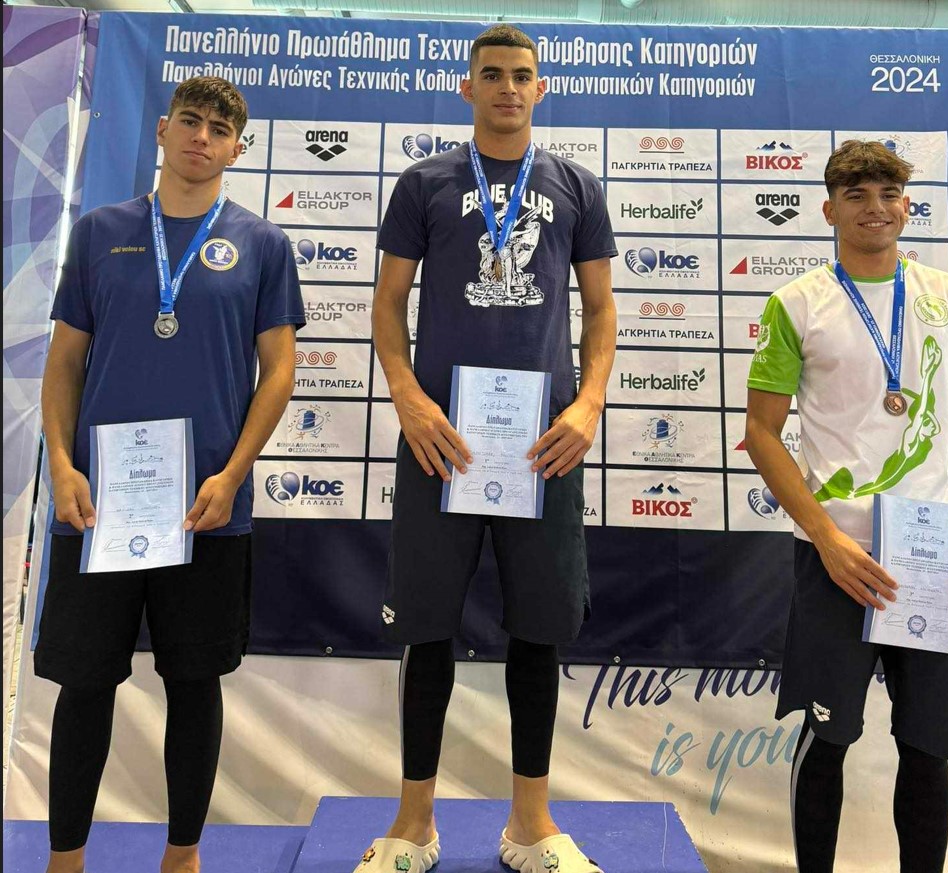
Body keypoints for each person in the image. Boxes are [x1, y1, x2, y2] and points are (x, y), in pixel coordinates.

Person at [359, 24, 617, 873]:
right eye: (493, 74)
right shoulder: (424, 182)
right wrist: (407, 396)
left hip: (543, 445)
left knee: (539, 630)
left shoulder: (576, 185)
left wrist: (588, 404)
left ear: (541, 89)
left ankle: (531, 825)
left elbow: (602, 310)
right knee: (426, 628)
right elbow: (388, 304)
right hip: (441, 439)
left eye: (522, 75)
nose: (508, 87)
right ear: (467, 87)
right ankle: (413, 825)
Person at [36, 76, 304, 873]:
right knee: (85, 685)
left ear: (238, 149)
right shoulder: (98, 232)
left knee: (194, 683)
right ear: (162, 129)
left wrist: (234, 473)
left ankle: (182, 857)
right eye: (190, 121)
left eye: (219, 129)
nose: (202, 137)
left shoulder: (263, 244)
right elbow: (64, 362)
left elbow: (280, 371)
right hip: (97, 505)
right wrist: (61, 464)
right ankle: (64, 860)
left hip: (204, 506)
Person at [744, 140, 948, 873]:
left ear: (907, 206)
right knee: (827, 739)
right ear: (829, 211)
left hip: (936, 558)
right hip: (840, 559)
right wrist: (825, 538)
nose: (874, 208)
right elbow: (760, 432)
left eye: (888, 194)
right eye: (855, 195)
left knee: (927, 746)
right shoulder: (797, 303)